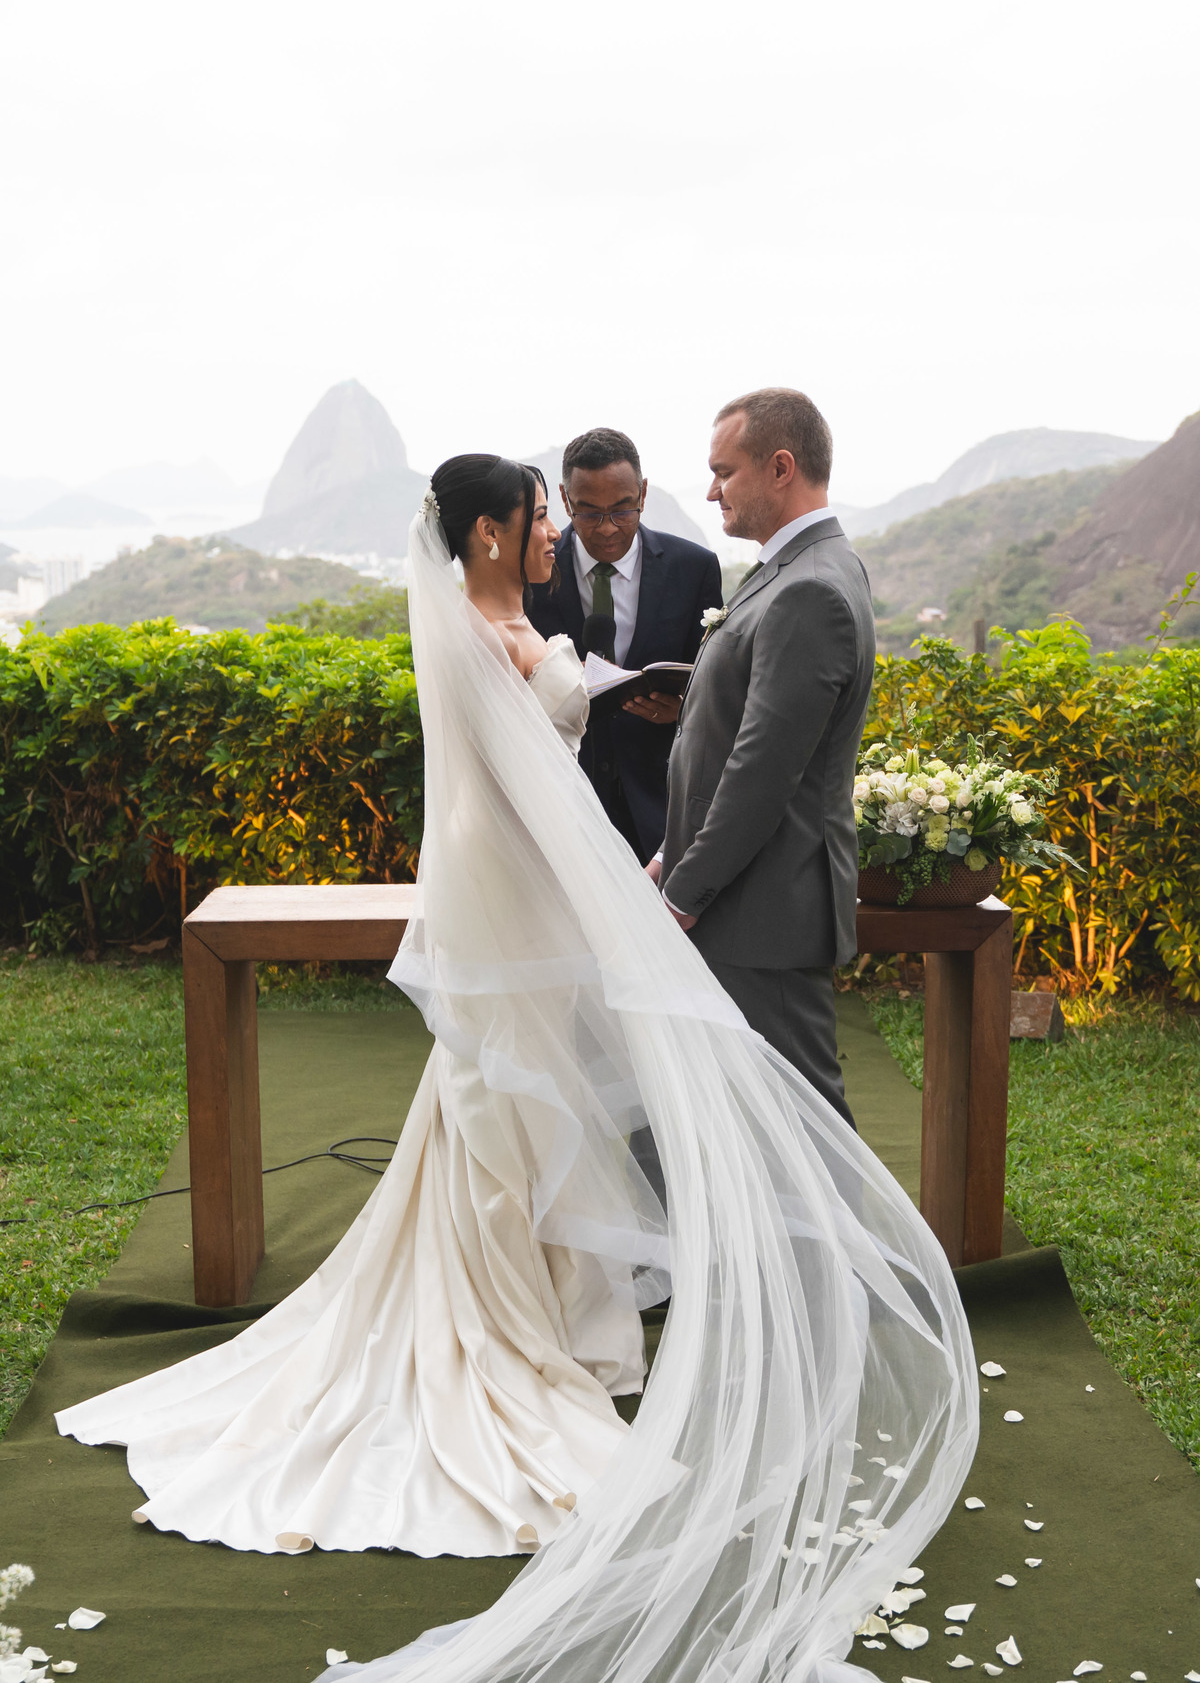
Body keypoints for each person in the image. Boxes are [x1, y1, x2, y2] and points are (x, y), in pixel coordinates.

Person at [59, 453, 976, 1683]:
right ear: (494, 531)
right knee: (522, 1114)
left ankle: (545, 1304)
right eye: (542, 514)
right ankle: (506, 1325)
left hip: (561, 891)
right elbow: (512, 800)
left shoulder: (503, 619)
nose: (557, 530)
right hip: (535, 897)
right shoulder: (491, 636)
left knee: (519, 1115)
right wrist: (615, 893)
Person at [651, 388, 875, 1129]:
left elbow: (762, 770)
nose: (712, 490)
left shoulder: (811, 588)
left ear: (781, 468)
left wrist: (684, 892)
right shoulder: (800, 569)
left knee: (808, 1127)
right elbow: (731, 742)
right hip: (749, 899)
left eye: (725, 471)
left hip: (766, 909)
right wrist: (667, 854)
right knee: (740, 1121)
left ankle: (844, 1254)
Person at [528, 427, 722, 861]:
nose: (608, 529)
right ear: (564, 500)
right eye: (589, 513)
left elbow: (716, 684)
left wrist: (683, 711)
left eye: (622, 511)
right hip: (558, 808)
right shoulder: (530, 575)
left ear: (644, 493)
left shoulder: (694, 569)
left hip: (661, 808)